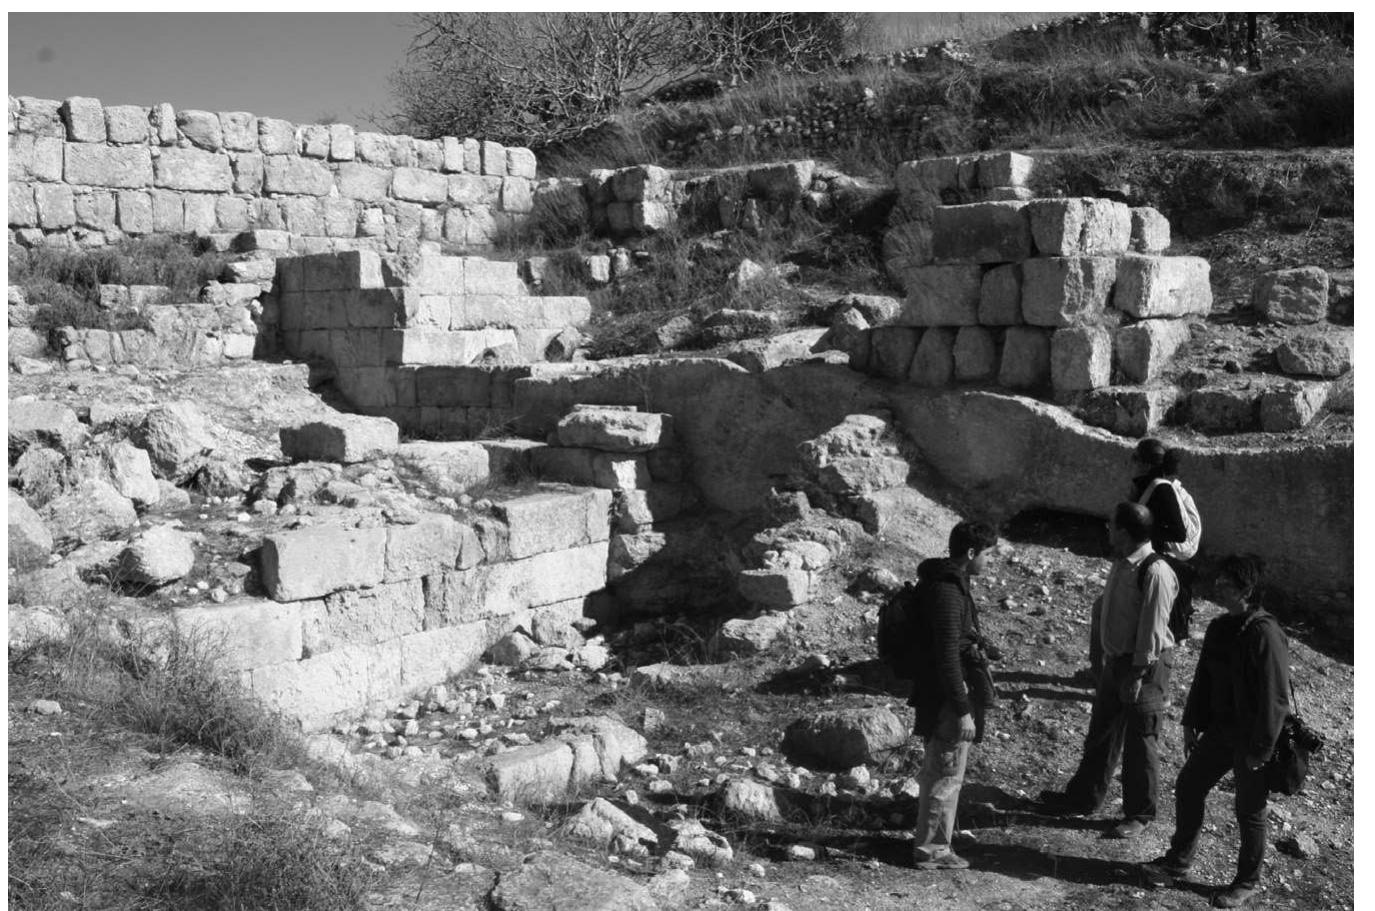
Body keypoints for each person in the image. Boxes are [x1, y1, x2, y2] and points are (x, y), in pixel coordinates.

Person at [1142, 556, 1291, 909]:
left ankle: (1246, 882)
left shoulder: (1265, 633)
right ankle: (1178, 861)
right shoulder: (1220, 627)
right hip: (1221, 731)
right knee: (1190, 785)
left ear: (1247, 589)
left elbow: (1276, 697)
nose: (1218, 585)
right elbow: (1203, 680)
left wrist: (1263, 749)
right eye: (1220, 579)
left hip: (1252, 738)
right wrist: (1191, 723)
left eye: (1226, 582)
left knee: (1249, 810)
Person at [1038, 502, 1177, 839]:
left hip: (1142, 667)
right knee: (1101, 732)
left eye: (1112, 525)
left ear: (1126, 532)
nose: (1107, 529)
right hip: (1117, 663)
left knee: (1140, 741)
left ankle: (1139, 814)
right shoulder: (1123, 562)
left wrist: (1136, 674)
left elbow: (1153, 631)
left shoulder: (1154, 571)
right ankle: (1083, 798)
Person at [907, 520, 1000, 871]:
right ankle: (932, 850)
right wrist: (963, 710)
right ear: (972, 553)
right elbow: (947, 656)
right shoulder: (947, 592)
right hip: (947, 699)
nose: (991, 561)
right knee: (946, 772)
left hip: (946, 695)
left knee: (945, 769)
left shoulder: (951, 584)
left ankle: (938, 838)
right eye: (988, 554)